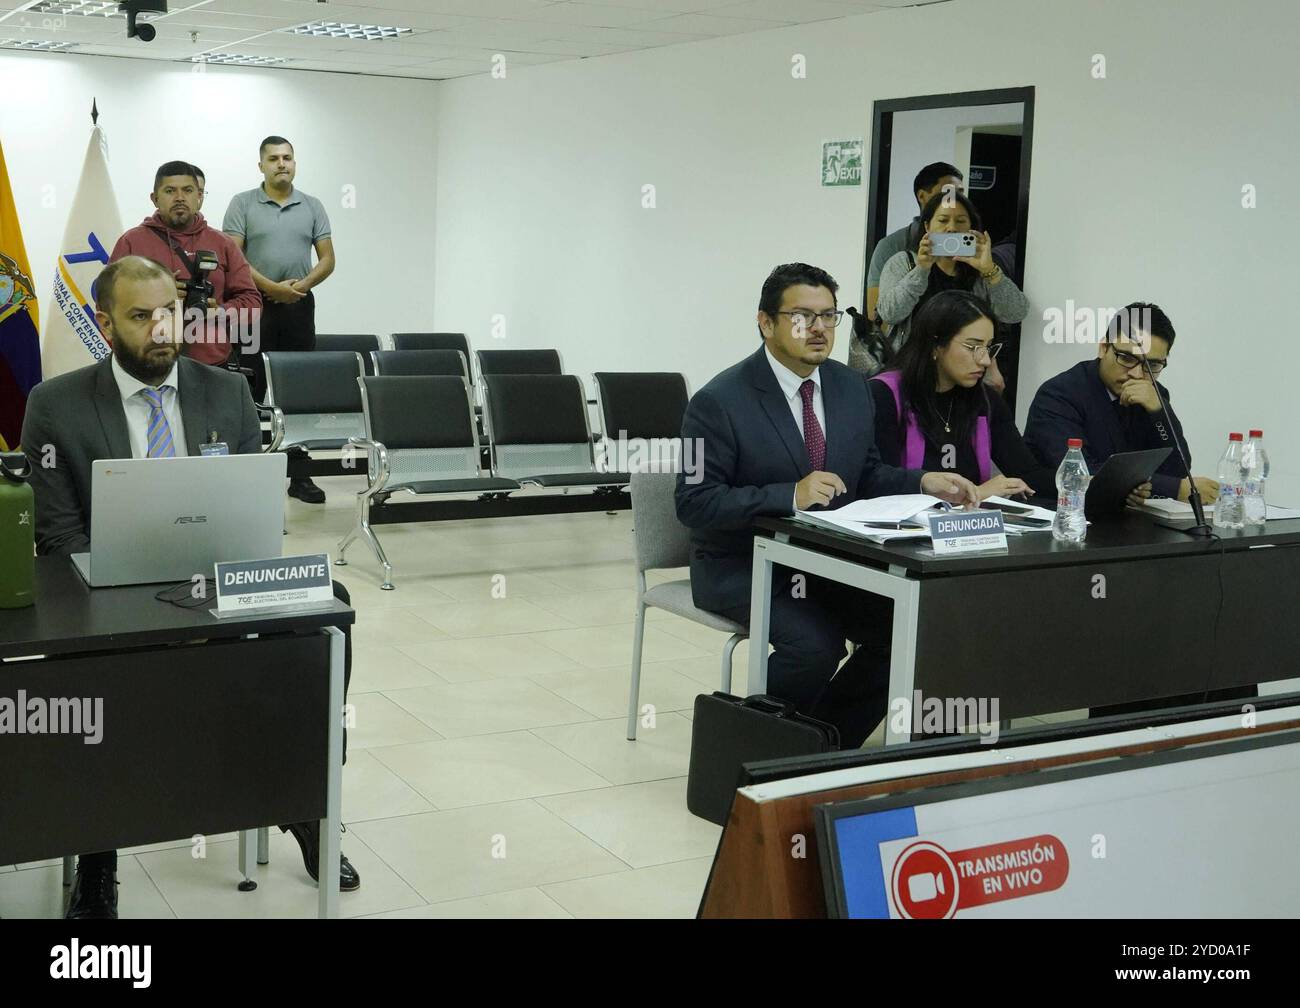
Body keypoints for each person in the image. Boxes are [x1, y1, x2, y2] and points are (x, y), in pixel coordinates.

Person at [20, 256, 360, 919]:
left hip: (218, 583)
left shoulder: (227, 392)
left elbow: (246, 515)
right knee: (89, 668)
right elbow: (59, 544)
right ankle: (98, 852)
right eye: (141, 317)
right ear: (105, 322)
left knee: (329, 610)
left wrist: (215, 591)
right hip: (107, 597)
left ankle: (304, 799)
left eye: (169, 313)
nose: (160, 329)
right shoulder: (55, 406)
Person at [676, 263, 979, 747]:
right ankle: (758, 753)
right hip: (742, 563)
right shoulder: (717, 401)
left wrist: (923, 481)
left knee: (909, 630)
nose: (819, 329)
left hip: (828, 559)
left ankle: (825, 743)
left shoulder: (851, 387)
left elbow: (867, 474)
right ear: (766, 322)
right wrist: (788, 495)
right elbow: (693, 503)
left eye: (829, 316)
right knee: (814, 647)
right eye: (802, 316)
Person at [222, 136, 336, 504]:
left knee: (295, 392)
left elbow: (328, 260)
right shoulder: (242, 204)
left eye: (287, 158)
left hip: (299, 307)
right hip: (252, 307)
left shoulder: (313, 205)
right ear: (261, 166)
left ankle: (299, 477)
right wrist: (272, 288)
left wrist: (297, 288)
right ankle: (249, 474)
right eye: (273, 158)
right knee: (249, 388)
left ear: (295, 163)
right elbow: (233, 260)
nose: (281, 164)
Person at [1023, 302, 1218, 507]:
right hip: (1063, 517)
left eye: (1151, 365)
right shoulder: (1059, 394)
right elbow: (1080, 474)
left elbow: (1177, 471)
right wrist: (1173, 488)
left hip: (1127, 520)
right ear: (1103, 348)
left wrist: (1159, 412)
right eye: (1126, 358)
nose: (1136, 373)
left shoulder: (1153, 394)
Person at [870, 291, 1055, 500]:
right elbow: (877, 484)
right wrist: (975, 494)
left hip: (969, 528)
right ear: (936, 345)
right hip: (906, 529)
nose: (985, 360)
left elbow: (1028, 475)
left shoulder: (986, 400)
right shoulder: (884, 395)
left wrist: (1087, 485)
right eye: (973, 347)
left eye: (988, 347)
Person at [109, 161, 261, 369]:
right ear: (155, 199)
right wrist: (157, 295)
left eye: (188, 190)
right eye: (170, 190)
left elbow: (253, 304)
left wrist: (220, 312)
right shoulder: (132, 243)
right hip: (147, 363)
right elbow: (108, 302)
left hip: (212, 365)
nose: (180, 198)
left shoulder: (222, 243)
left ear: (199, 196)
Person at [876, 189, 1029, 392]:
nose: (951, 228)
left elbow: (1016, 313)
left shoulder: (981, 270)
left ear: (971, 228)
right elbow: (890, 313)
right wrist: (921, 270)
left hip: (967, 380)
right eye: (943, 220)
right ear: (927, 226)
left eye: (960, 221)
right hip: (912, 376)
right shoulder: (903, 263)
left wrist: (989, 271)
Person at [864, 162, 964, 325]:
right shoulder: (894, 246)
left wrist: (989, 271)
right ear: (922, 196)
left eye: (960, 194)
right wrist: (921, 269)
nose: (954, 201)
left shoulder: (971, 245)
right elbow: (877, 316)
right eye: (948, 193)